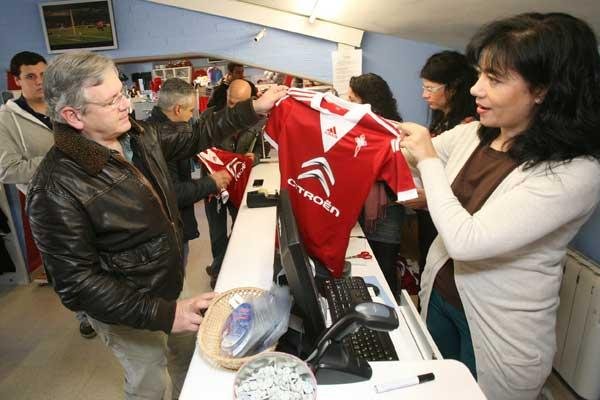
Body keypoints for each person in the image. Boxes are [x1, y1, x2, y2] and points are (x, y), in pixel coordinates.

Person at [26, 52, 287, 400]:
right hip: (126, 307)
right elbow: (76, 284)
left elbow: (194, 136)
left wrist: (251, 109)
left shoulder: (136, 134)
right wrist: (163, 313)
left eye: (122, 93)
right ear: (73, 116)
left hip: (167, 283)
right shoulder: (55, 187)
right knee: (147, 380)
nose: (125, 105)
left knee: (186, 357)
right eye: (112, 100)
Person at [398, 13, 600, 400]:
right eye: (479, 75)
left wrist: (426, 158)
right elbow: (414, 154)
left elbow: (467, 241)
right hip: (442, 295)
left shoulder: (576, 172)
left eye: (494, 79)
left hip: (498, 326)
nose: (475, 89)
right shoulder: (476, 133)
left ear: (542, 90)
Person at [0, 51, 97, 339]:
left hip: (89, 194)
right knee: (70, 262)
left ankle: (109, 307)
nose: (39, 82)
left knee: (99, 254)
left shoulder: (65, 103)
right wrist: (62, 157)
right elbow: (8, 170)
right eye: (30, 76)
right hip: (51, 205)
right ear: (17, 80)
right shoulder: (7, 119)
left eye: (44, 74)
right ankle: (84, 315)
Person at [145, 78, 232, 266]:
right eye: (190, 110)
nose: (191, 116)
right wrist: (212, 182)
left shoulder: (158, 132)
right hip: (167, 233)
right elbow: (171, 193)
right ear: (177, 109)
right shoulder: (160, 141)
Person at [407, 51, 478, 275]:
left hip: (446, 216)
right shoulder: (443, 121)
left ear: (454, 88)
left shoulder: (469, 127)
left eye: (430, 88)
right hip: (429, 213)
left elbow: (466, 187)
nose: (424, 95)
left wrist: (427, 198)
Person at [347, 73, 404, 296]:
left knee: (384, 265)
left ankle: (391, 310)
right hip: (362, 206)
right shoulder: (353, 125)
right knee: (365, 263)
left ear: (368, 102)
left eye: (353, 99)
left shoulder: (391, 129)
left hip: (386, 209)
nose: (347, 103)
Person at [205, 79, 265, 287]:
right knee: (216, 230)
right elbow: (198, 145)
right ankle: (219, 268)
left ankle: (224, 263)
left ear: (251, 101)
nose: (232, 107)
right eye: (230, 102)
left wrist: (253, 157)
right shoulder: (211, 117)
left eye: (238, 103)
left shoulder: (259, 121)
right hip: (213, 184)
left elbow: (263, 150)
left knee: (241, 226)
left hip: (240, 184)